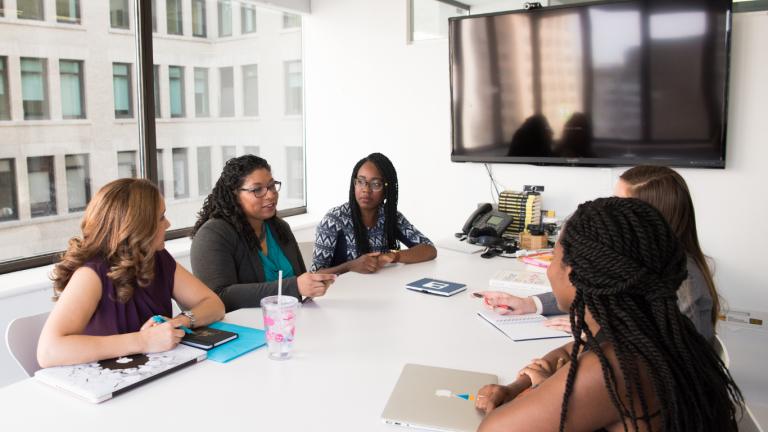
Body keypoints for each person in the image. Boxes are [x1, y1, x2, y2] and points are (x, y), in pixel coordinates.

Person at [476, 197, 742, 432]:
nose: (549, 268)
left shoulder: (610, 370)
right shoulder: (659, 331)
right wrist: (517, 386)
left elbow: (492, 429)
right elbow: (571, 349)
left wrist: (542, 390)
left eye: (553, 256)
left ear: (572, 273)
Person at [477, 165, 718, 342]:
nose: (608, 210)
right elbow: (595, 290)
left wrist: (600, 335)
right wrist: (531, 303)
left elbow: (687, 359)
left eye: (619, 204)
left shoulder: (687, 284)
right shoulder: (634, 261)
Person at [37, 179, 225, 367]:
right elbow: (48, 351)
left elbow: (214, 305)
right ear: (137, 227)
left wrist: (179, 323)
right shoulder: (91, 274)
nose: (168, 224)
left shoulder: (157, 257)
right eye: (161, 218)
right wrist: (144, 341)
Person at [190, 155, 336, 312]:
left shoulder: (279, 227)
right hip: (243, 330)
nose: (270, 194)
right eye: (257, 189)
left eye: (272, 186)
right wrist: (294, 287)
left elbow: (299, 282)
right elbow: (219, 297)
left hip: (289, 322)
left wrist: (313, 285)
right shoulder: (213, 235)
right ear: (234, 195)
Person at [311, 152, 437, 274]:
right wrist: (350, 266)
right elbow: (315, 275)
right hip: (341, 293)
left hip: (379, 290)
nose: (366, 189)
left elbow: (429, 249)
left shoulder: (390, 217)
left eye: (375, 184)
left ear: (387, 189)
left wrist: (391, 256)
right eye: (360, 181)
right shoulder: (334, 220)